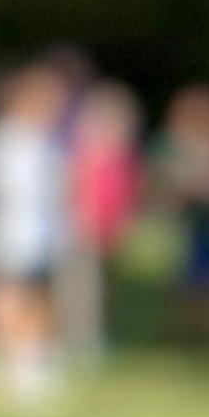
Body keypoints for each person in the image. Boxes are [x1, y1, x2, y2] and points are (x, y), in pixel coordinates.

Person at [0, 65, 72, 411]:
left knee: (40, 297)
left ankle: (35, 358)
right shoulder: (7, 140)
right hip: (15, 232)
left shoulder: (45, 140)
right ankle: (13, 362)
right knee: (13, 297)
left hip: (44, 233)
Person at [60, 78, 141, 367]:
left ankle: (95, 333)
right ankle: (79, 337)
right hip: (85, 229)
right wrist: (83, 220)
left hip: (108, 231)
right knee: (83, 287)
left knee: (103, 286)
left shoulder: (121, 157)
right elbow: (75, 190)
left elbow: (126, 195)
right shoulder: (85, 155)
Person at [154, 84, 209, 346]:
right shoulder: (174, 149)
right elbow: (166, 185)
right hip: (188, 223)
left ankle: (207, 330)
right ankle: (189, 330)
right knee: (186, 278)